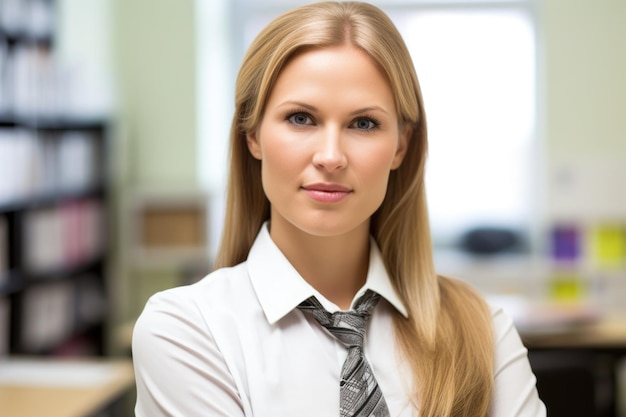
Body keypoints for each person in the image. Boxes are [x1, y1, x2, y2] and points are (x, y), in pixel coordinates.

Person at [132, 2, 546, 416]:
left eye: (363, 123)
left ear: (401, 145)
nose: (330, 156)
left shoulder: (482, 331)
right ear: (252, 134)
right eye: (300, 118)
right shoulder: (188, 330)